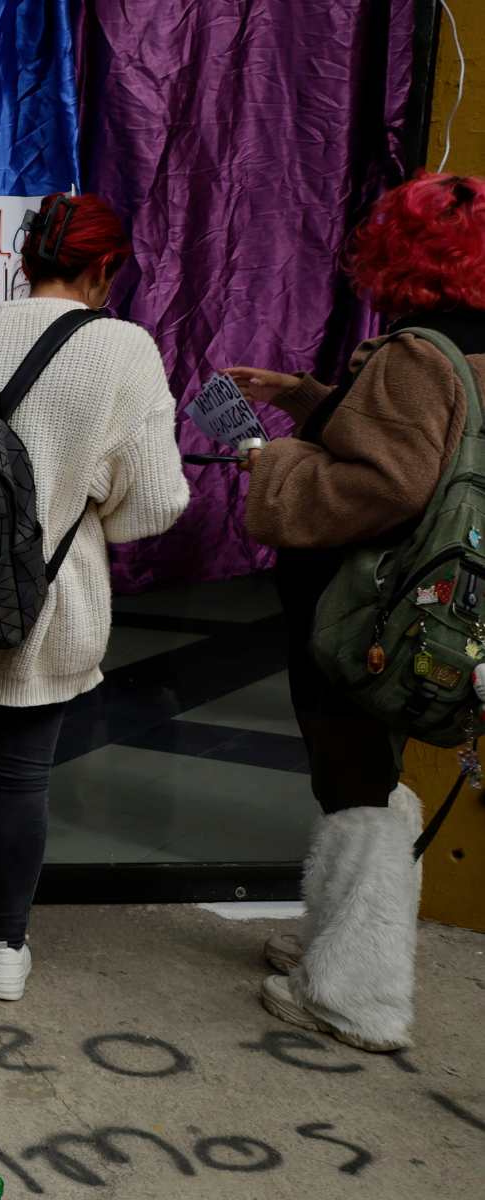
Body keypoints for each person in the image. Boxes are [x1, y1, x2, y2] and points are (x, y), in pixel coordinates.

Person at [0, 193, 188, 1002]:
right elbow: (152, 507)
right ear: (103, 268)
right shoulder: (123, 349)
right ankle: (4, 952)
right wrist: (80, 503)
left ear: (24, 259)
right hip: (47, 611)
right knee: (23, 777)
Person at [228, 172, 485, 1053]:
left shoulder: (417, 355)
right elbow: (436, 449)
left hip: (364, 613)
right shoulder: (469, 353)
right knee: (366, 773)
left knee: (356, 786)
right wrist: (308, 399)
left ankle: (355, 997)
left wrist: (275, 465)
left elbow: (387, 480)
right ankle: (337, 948)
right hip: (436, 614)